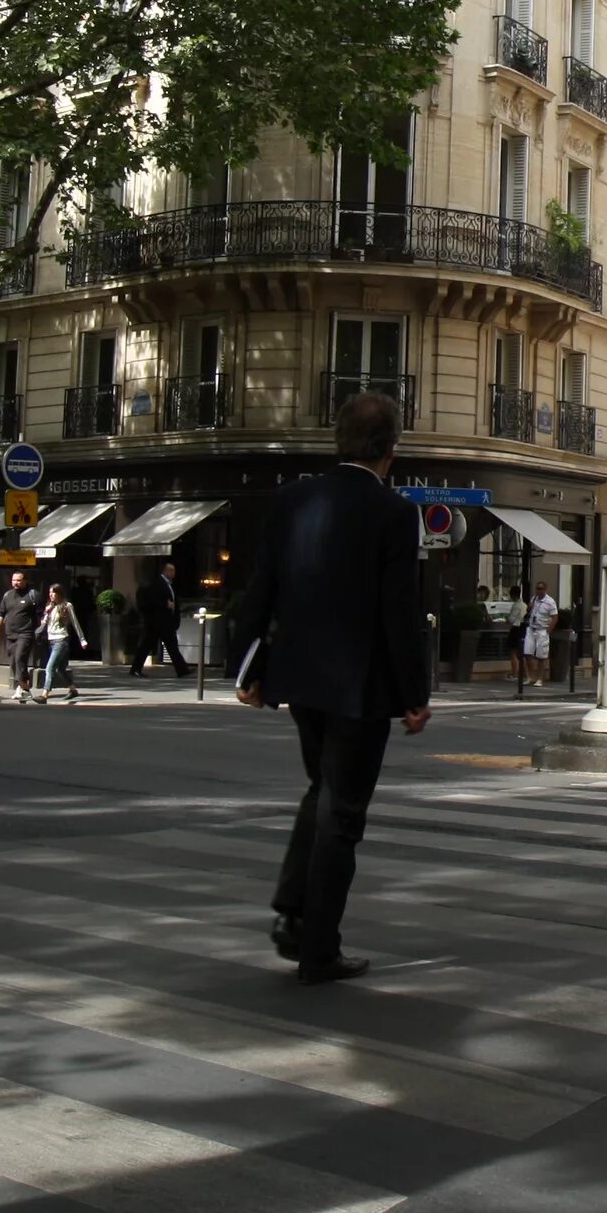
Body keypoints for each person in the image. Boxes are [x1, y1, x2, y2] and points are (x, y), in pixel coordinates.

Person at [229, 388, 430, 985]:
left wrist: (248, 665)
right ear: (391, 450)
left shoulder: (293, 499)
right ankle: (317, 944)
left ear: (338, 440)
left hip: (299, 679)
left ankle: (294, 911)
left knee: (323, 791)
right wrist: (415, 693)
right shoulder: (393, 513)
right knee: (342, 811)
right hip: (360, 687)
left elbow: (260, 587)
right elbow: (400, 612)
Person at [130, 560, 189, 676]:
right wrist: (165, 604)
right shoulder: (157, 584)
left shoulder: (170, 585)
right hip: (157, 623)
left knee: (171, 647)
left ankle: (182, 670)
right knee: (148, 646)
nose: (173, 573)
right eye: (171, 571)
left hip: (166, 623)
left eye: (174, 571)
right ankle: (135, 669)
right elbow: (152, 600)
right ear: (165, 571)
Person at [34, 581, 86, 702]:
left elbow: (75, 622)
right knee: (60, 669)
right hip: (51, 640)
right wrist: (46, 613)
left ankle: (44, 695)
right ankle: (73, 690)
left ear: (59, 593)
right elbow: (44, 624)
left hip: (61, 640)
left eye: (54, 592)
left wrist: (82, 640)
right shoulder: (50, 606)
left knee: (50, 667)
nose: (51, 595)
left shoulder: (67, 606)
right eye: (50, 593)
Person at [0, 570, 39, 702]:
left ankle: (25, 689)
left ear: (25, 581)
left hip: (25, 633)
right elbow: (0, 613)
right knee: (14, 662)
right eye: (14, 580)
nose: (16, 583)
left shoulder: (32, 595)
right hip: (10, 633)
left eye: (19, 580)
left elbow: (42, 613)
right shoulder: (7, 595)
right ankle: (21, 687)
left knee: (20, 658)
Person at [520, 581, 557, 681]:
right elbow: (528, 611)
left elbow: (554, 617)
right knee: (527, 653)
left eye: (541, 589)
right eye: (537, 588)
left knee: (541, 656)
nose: (538, 591)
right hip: (531, 628)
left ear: (545, 590)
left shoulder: (550, 602)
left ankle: (539, 679)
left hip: (542, 629)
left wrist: (548, 630)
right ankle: (530, 677)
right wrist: (529, 606)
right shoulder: (534, 598)